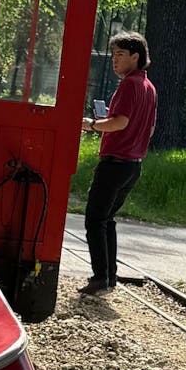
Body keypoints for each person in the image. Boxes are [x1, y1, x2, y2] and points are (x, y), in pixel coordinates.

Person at [79, 31, 157, 294]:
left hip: (114, 163)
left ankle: (100, 278)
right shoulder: (149, 87)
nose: (114, 60)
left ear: (136, 57)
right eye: (113, 54)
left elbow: (119, 122)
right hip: (133, 165)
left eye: (121, 55)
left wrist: (90, 125)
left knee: (95, 220)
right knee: (107, 219)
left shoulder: (129, 85)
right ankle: (109, 277)